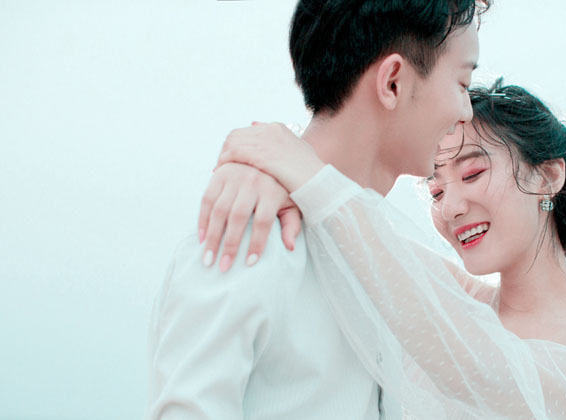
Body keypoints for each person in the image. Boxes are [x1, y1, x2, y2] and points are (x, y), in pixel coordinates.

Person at [199, 80, 566, 419]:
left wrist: (297, 169)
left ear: (547, 175)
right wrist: (259, 168)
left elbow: (485, 374)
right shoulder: (445, 297)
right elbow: (350, 227)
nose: (451, 208)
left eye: (472, 174)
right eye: (436, 191)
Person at [146, 1, 488, 419]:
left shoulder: (385, 259)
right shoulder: (244, 236)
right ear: (393, 82)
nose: (466, 112)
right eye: (462, 83)